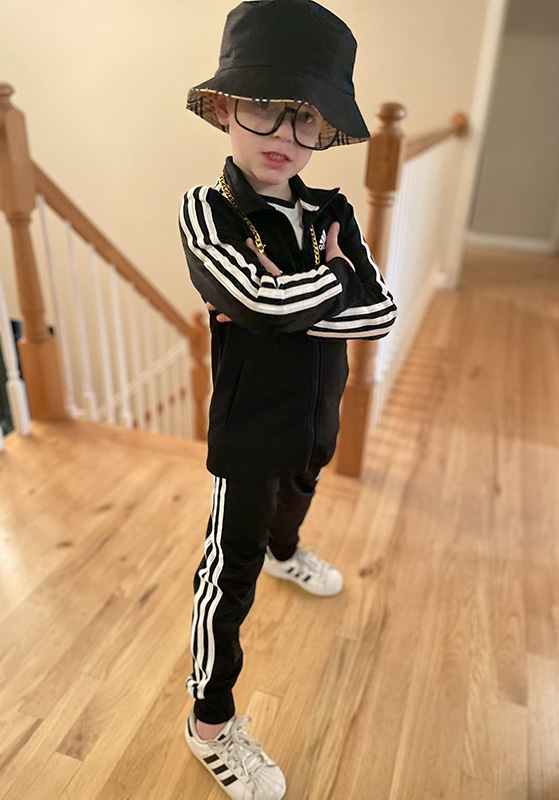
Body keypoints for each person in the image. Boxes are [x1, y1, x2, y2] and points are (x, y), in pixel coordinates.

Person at [179, 1, 396, 797]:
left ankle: (286, 551)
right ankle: (209, 721)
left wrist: (288, 298)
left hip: (316, 417)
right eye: (266, 106)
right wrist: (331, 280)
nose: (283, 134)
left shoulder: (333, 211)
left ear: (325, 132)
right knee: (226, 576)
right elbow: (258, 302)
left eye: (307, 119)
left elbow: (379, 314)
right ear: (229, 107)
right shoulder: (208, 210)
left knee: (295, 505)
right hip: (246, 431)